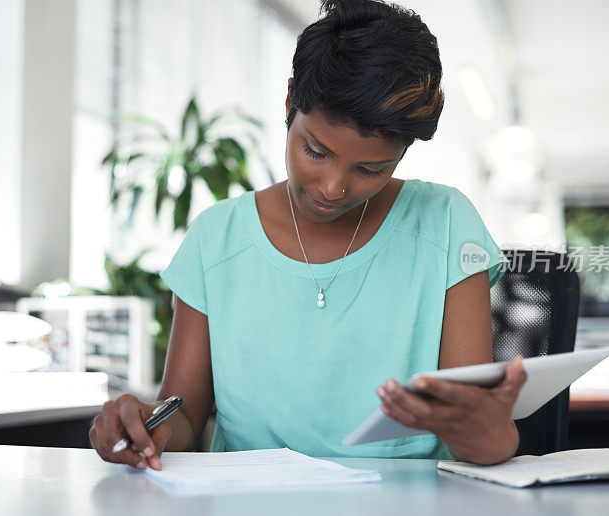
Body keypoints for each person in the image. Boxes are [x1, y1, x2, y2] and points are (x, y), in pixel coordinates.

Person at [89, 0, 526, 472]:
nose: (334, 188)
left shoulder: (444, 223)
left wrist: (492, 435)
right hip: (250, 501)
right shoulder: (217, 239)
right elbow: (186, 416)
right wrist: (143, 427)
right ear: (289, 102)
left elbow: (472, 432)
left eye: (371, 169)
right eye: (315, 151)